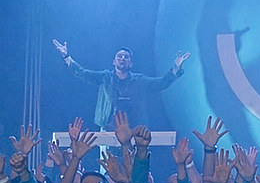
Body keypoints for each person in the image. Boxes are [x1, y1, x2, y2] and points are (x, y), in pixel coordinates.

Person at [52, 40, 190, 130]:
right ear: (114, 62)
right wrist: (66, 57)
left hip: (134, 127)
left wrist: (176, 68)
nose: (122, 58)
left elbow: (160, 83)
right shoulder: (105, 77)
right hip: (108, 126)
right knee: (108, 164)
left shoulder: (139, 80)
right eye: (119, 56)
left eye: (126, 57)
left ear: (131, 63)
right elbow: (82, 73)